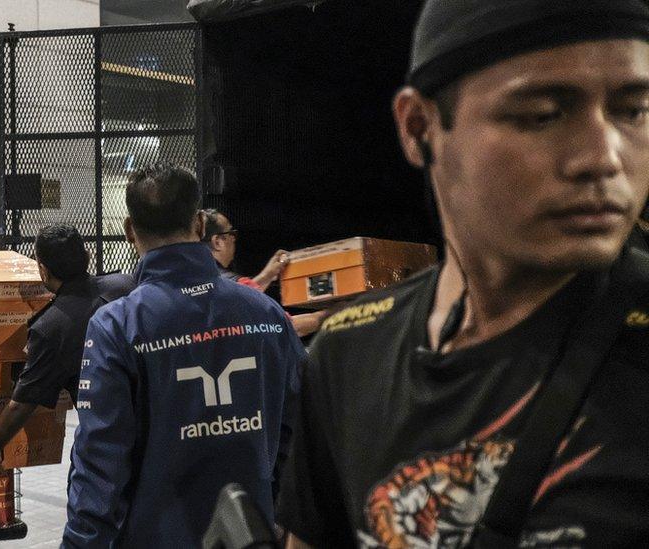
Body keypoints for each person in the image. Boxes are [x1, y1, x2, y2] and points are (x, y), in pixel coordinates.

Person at [278, 1, 649, 547]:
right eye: (543, 114)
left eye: (633, 111)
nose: (603, 156)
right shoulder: (350, 351)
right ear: (419, 127)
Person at [62, 163, 305, 548]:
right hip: (251, 534)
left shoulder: (117, 326)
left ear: (129, 231)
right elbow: (301, 431)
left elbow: (100, 465)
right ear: (199, 225)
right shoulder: (267, 315)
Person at [0, 224, 135, 476]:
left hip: (107, 445)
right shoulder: (126, 285)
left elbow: (21, 405)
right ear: (87, 256)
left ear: (43, 270)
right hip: (154, 426)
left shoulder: (52, 327)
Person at [202, 209, 325, 337]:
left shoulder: (190, 283)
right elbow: (288, 327)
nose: (234, 239)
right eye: (231, 233)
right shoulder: (236, 288)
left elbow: (243, 294)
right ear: (217, 242)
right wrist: (333, 314)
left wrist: (268, 275)